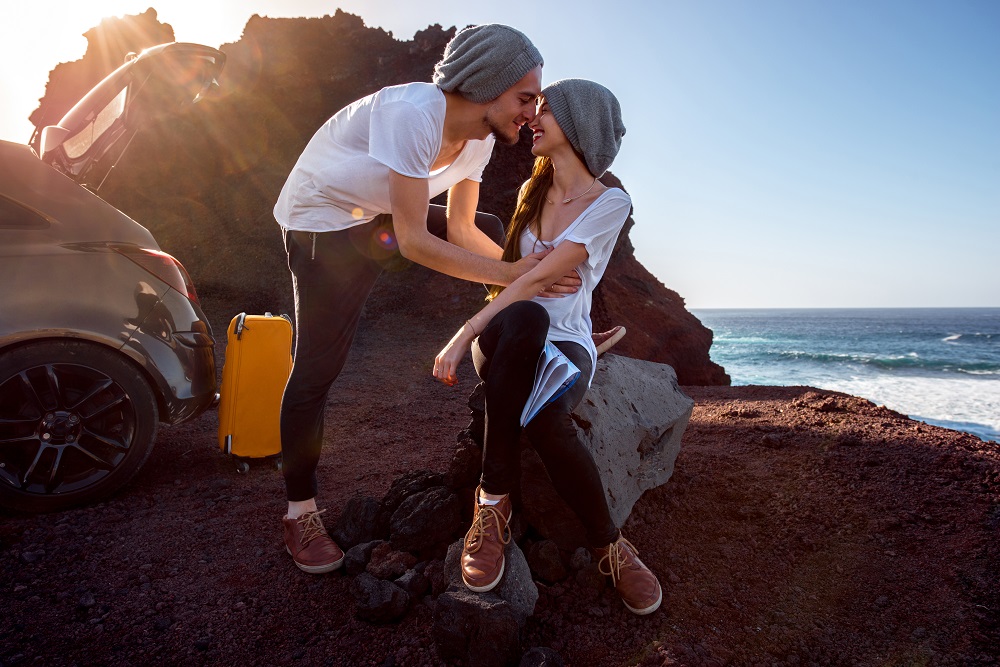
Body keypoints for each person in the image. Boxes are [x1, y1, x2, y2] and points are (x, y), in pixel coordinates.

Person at [272, 24, 580, 574]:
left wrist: (530, 280)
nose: (532, 113)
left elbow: (461, 228)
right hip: (322, 222)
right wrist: (513, 272)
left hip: (377, 214)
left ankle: (554, 326)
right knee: (318, 368)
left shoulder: (481, 139)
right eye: (525, 97)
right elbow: (413, 241)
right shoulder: (413, 114)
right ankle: (300, 513)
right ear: (486, 84)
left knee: (490, 227)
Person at [433, 79, 662, 615]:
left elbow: (538, 278)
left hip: (565, 344)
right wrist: (480, 326)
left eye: (546, 110)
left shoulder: (610, 202)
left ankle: (609, 546)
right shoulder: (529, 193)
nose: (532, 118)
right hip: (506, 333)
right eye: (533, 108)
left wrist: (461, 332)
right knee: (528, 315)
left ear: (580, 124)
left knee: (545, 419)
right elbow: (521, 279)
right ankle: (493, 504)